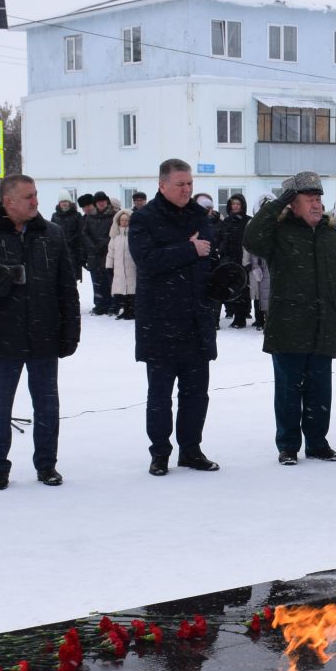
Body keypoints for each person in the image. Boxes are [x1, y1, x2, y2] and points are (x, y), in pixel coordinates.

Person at [0, 174, 80, 489]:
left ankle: (46, 465)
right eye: (28, 197)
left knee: (47, 405)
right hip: (2, 336)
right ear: (8, 201)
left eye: (36, 195)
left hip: (44, 335)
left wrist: (70, 332)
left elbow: (67, 287)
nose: (35, 202)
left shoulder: (51, 234)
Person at [242, 171, 336, 465]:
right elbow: (251, 238)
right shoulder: (279, 233)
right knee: (289, 391)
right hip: (288, 325)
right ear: (293, 204)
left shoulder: (333, 237)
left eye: (318, 199)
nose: (316, 205)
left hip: (323, 325)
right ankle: (288, 445)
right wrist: (278, 204)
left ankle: (317, 443)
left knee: (320, 391)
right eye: (309, 200)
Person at [128, 158, 220, 476]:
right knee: (160, 396)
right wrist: (188, 249)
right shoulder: (144, 219)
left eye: (190, 184)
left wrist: (223, 279)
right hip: (160, 321)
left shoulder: (200, 216)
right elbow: (148, 260)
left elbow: (212, 255)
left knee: (196, 395)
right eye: (180, 184)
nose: (186, 189)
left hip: (196, 320)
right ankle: (160, 453)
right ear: (162, 184)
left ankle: (191, 450)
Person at [217, 194, 251, 327]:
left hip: (243, 259)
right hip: (228, 260)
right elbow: (221, 239)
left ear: (242, 205)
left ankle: (240, 318)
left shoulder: (248, 221)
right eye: (233, 204)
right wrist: (221, 252)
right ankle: (233, 313)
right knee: (232, 289)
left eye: (238, 204)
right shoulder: (226, 221)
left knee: (243, 290)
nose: (235, 206)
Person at [82, 192, 115, 314]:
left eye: (103, 201)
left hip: (108, 253)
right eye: (98, 201)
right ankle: (99, 305)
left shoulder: (113, 216)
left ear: (107, 202)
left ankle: (112, 305)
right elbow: (85, 233)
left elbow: (115, 233)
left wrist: (104, 243)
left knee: (110, 281)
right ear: (95, 203)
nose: (101, 203)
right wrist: (92, 245)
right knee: (97, 281)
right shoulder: (90, 216)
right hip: (94, 254)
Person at [104, 206, 137, 320]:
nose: (124, 222)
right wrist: (109, 265)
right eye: (122, 220)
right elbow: (110, 252)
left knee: (132, 291)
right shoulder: (115, 237)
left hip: (132, 268)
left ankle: (132, 311)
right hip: (119, 268)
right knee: (122, 291)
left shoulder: (134, 235)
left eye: (127, 220)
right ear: (118, 221)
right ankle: (125, 310)